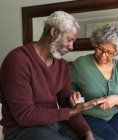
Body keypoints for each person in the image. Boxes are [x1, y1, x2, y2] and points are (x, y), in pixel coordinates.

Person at [0, 11, 101, 140]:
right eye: (69, 40)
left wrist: (86, 132)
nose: (71, 47)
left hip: (54, 124)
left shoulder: (63, 66)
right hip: (21, 129)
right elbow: (25, 115)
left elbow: (66, 103)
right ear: (54, 32)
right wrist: (72, 111)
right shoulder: (17, 60)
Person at [70, 24, 118, 140]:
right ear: (95, 44)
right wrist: (74, 95)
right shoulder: (80, 64)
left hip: (113, 114)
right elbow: (68, 89)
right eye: (100, 49)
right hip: (88, 116)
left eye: (110, 52)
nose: (103, 55)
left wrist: (116, 100)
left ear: (117, 52)